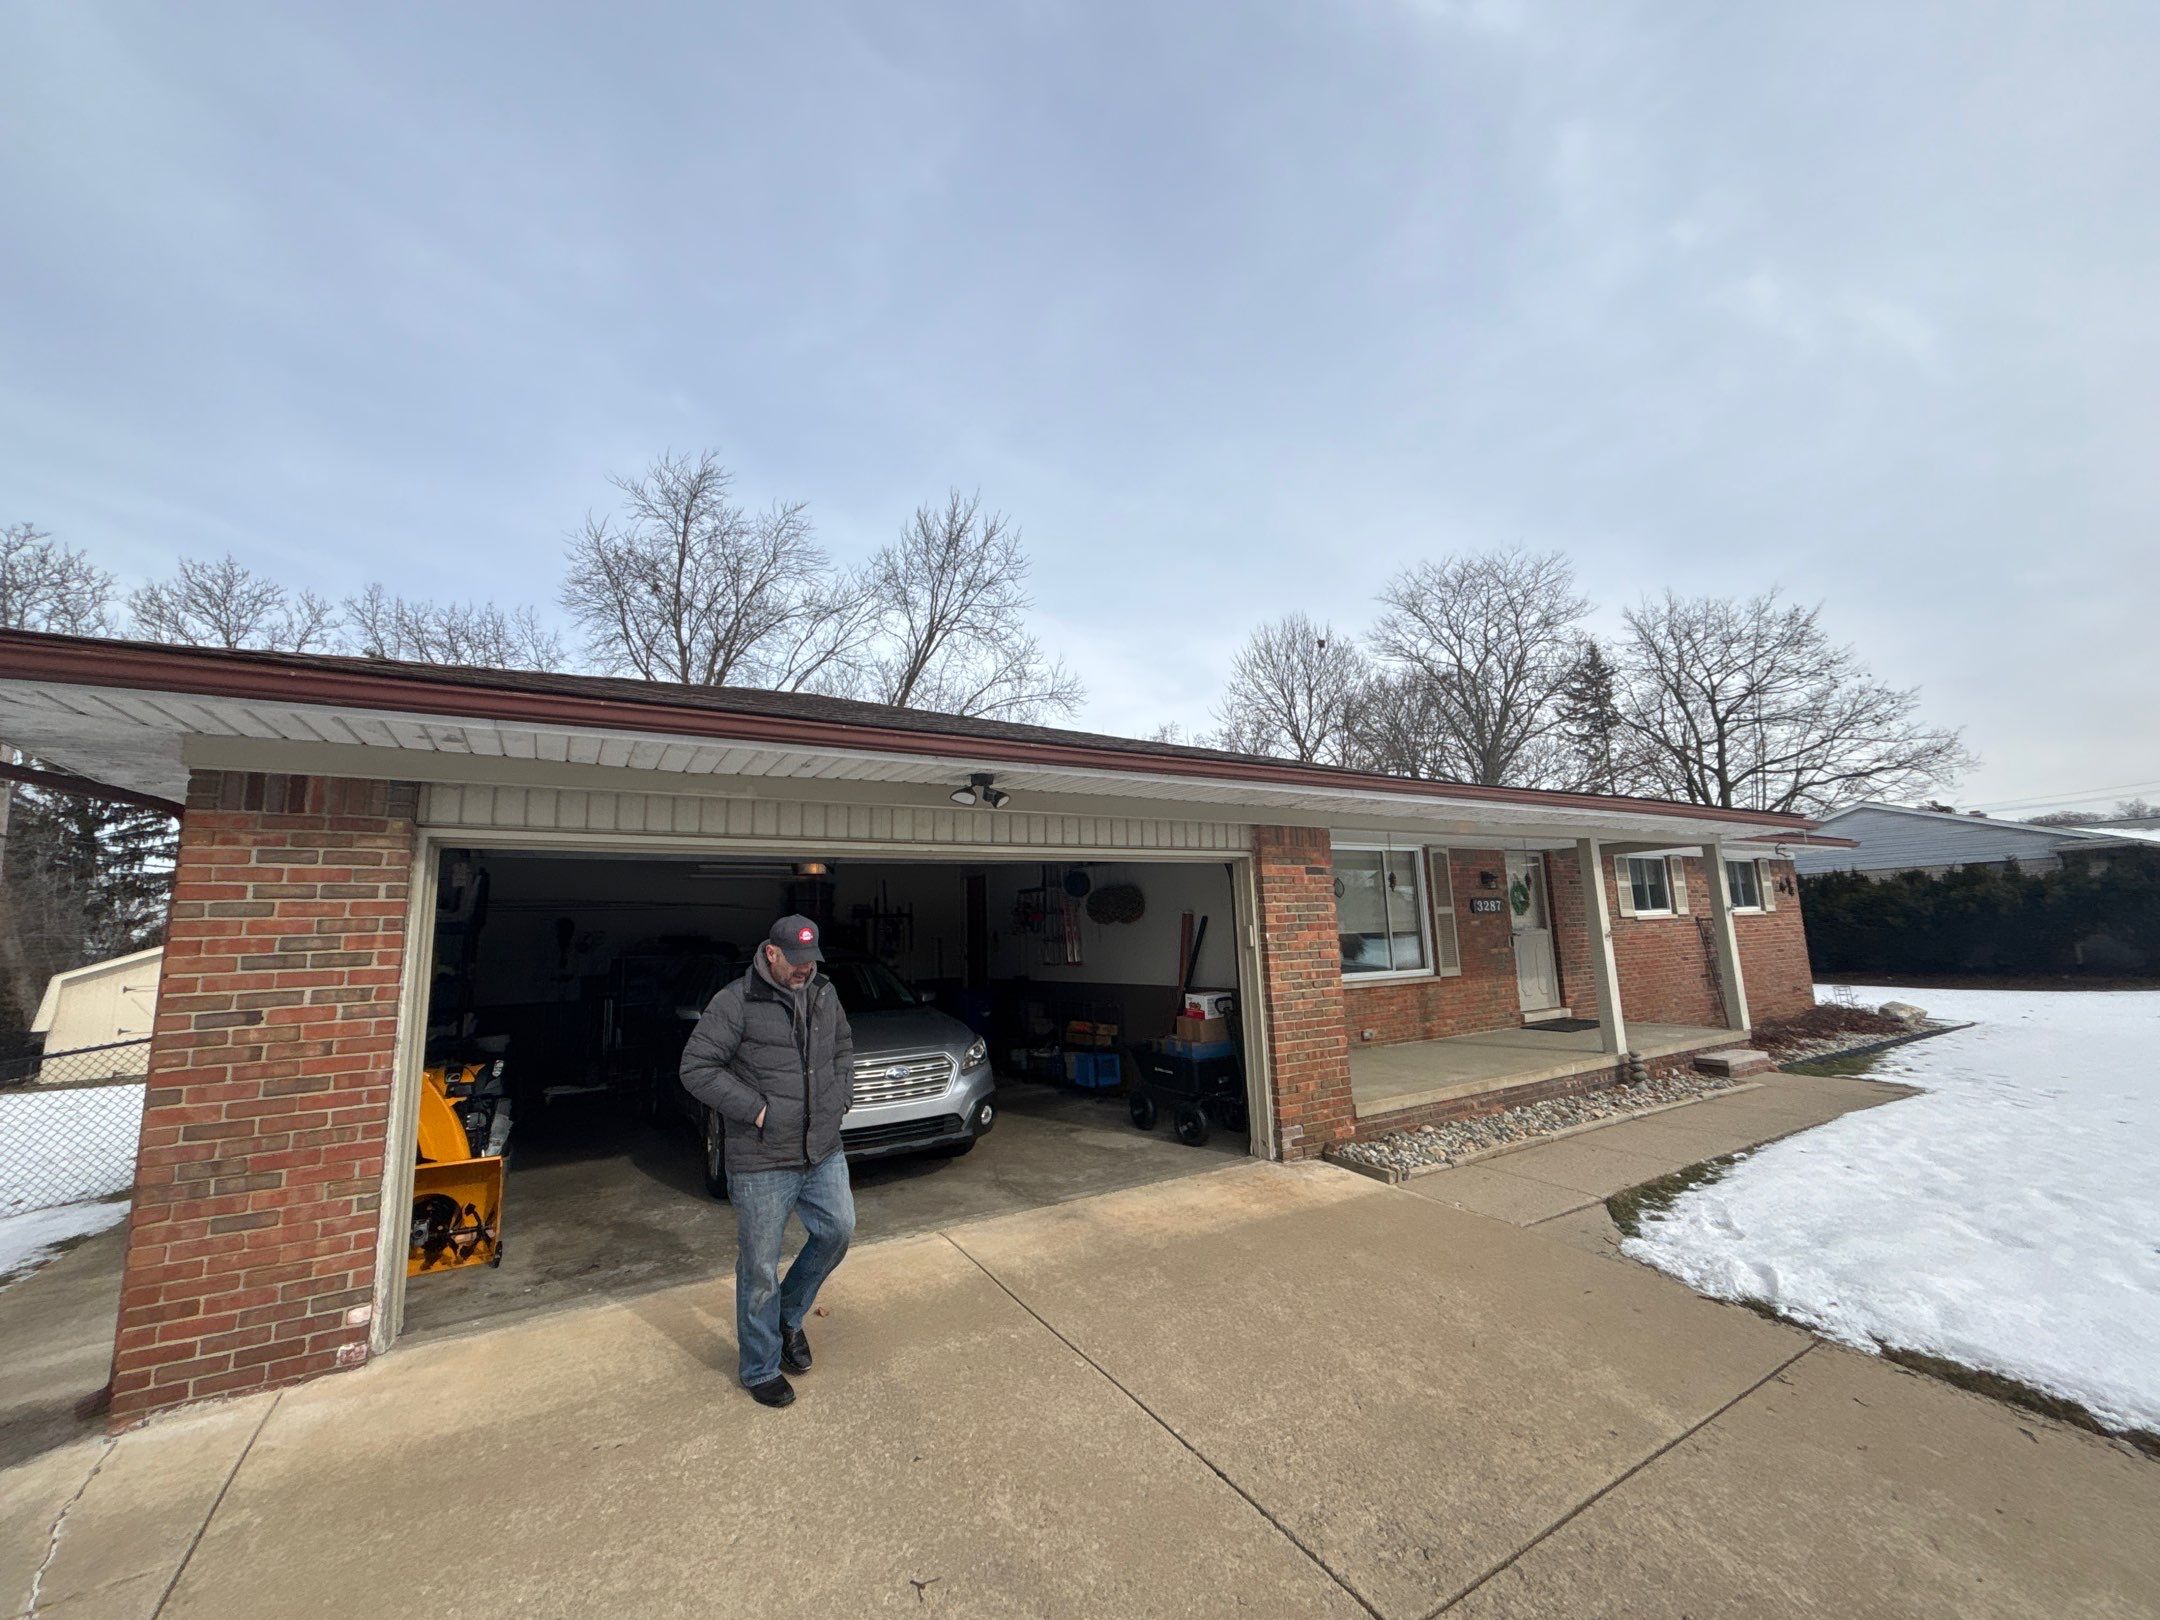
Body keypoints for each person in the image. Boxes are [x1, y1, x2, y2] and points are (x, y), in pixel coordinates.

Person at [680, 914, 856, 1407]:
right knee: (759, 1266)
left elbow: (843, 1046)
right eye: (796, 961)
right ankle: (759, 1367)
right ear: (771, 953)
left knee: (837, 1231)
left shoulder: (825, 993)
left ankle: (788, 1317)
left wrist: (840, 1093)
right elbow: (695, 1068)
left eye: (811, 961)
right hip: (761, 1160)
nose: (805, 970)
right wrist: (757, 1109)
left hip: (821, 1148)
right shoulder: (735, 1001)